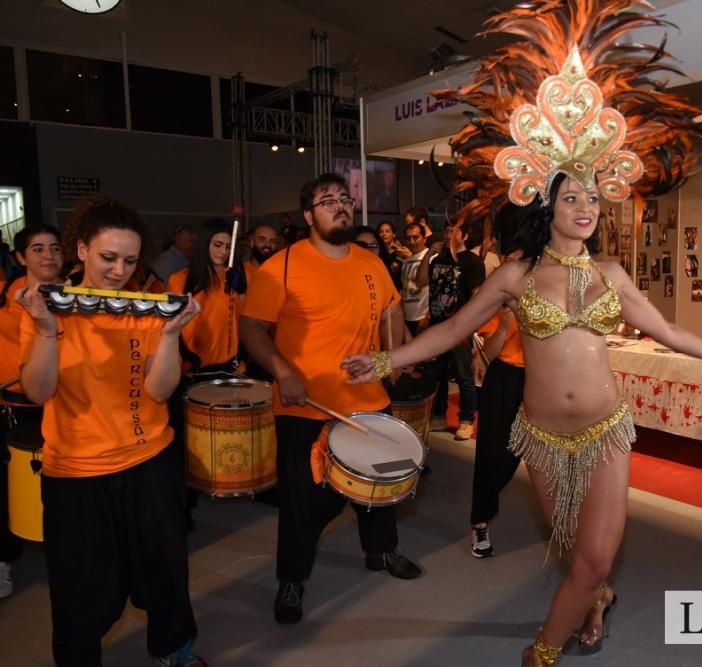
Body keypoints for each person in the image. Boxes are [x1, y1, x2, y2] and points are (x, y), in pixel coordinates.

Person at [343, 175, 702, 662]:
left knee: (596, 557)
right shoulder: (515, 276)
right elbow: (456, 327)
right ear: (548, 208)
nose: (586, 207)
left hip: (605, 431)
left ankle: (542, 650)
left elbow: (666, 329)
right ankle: (597, 598)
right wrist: (384, 361)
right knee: (575, 550)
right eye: (572, 198)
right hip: (542, 436)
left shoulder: (611, 272)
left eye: (592, 198)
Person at [16, 195, 204, 666]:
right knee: (81, 587)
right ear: (80, 250)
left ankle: (173, 647)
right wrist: (43, 330)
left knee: (165, 572)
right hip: (77, 472)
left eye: (130, 260)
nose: (119, 270)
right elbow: (38, 393)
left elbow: (160, 392)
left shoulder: (147, 308)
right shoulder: (47, 308)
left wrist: (168, 335)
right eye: (108, 258)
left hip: (150, 461)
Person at [239, 173, 422, 627]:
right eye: (327, 201)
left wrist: (392, 356)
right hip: (305, 408)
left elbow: (393, 308)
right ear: (308, 216)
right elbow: (250, 329)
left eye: (344, 198)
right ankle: (291, 579)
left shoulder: (371, 262)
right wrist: (283, 371)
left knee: (380, 488)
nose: (340, 205)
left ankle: (381, 551)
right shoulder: (281, 266)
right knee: (303, 503)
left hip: (369, 399)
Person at [0, 223, 63, 599]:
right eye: (37, 249)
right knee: (8, 493)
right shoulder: (6, 301)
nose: (48, 256)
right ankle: (3, 560)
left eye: (54, 248)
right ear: (21, 257)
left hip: (64, 407)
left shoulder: (74, 297)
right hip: (16, 408)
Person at [469, 246, 525, 559]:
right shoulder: (496, 301)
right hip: (503, 376)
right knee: (493, 453)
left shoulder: (543, 294)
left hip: (541, 380)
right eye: (512, 261)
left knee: (538, 449)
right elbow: (486, 354)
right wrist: (505, 324)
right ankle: (480, 521)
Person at [418, 218, 485, 440]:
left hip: (458, 329)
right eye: (446, 231)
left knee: (463, 375)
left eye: (453, 232)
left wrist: (467, 325)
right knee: (437, 374)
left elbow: (477, 296)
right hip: (438, 326)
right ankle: (438, 415)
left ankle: (466, 420)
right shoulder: (439, 259)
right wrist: (428, 255)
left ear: (464, 236)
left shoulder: (472, 261)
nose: (448, 236)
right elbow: (421, 281)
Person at [167, 219, 245, 377]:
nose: (223, 252)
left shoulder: (235, 278)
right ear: (204, 244)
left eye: (228, 247)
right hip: (192, 369)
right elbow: (169, 327)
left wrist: (241, 289)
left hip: (231, 368)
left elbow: (244, 321)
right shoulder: (179, 279)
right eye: (218, 245)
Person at [399, 222, 434, 336]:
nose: (412, 242)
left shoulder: (432, 257)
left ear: (424, 238)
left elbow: (437, 289)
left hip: (423, 318)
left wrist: (428, 316)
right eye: (409, 238)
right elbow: (404, 290)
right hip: (408, 318)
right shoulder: (406, 262)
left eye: (416, 237)